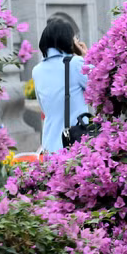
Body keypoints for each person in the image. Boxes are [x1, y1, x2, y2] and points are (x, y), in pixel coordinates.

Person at [31, 18, 89, 153]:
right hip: (74, 145)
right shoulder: (76, 63)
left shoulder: (37, 70)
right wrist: (87, 57)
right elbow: (100, 85)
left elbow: (44, 108)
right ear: (69, 41)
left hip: (49, 145)